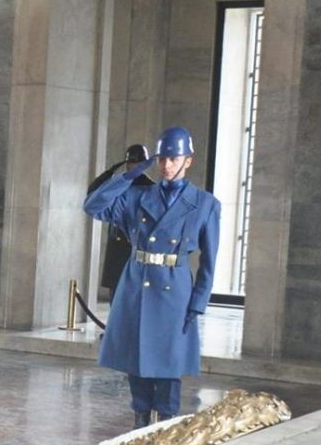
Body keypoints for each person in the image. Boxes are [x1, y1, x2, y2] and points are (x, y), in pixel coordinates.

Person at [83, 127, 220, 427]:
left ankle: (165, 423)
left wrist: (198, 302)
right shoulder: (136, 196)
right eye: (161, 159)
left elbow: (209, 261)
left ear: (188, 161)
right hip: (137, 283)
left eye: (173, 159)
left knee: (169, 362)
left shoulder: (205, 204)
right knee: (137, 357)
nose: (166, 165)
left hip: (175, 286)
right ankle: (140, 420)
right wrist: (129, 176)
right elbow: (93, 206)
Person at [87, 143, 153, 302]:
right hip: (117, 245)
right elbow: (93, 195)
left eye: (138, 163)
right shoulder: (118, 183)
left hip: (136, 245)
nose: (134, 166)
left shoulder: (151, 187)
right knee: (116, 296)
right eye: (131, 162)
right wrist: (110, 171)